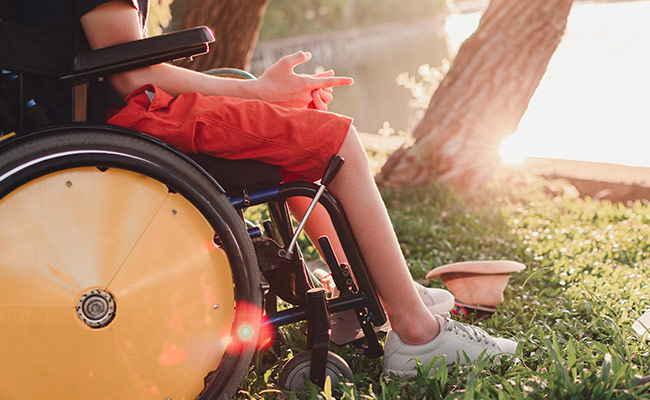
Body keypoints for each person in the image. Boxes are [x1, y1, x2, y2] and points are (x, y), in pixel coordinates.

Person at [6, 0, 517, 376]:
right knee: (339, 140)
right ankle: (416, 334)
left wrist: (262, 95)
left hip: (106, 115)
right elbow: (127, 73)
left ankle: (366, 299)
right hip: (132, 122)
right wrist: (257, 91)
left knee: (302, 117)